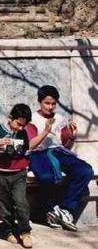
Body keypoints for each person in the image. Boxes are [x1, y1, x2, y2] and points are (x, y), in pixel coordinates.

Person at [26, 85, 95, 231]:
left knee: (85, 171)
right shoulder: (32, 119)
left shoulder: (60, 119)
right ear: (40, 102)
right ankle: (50, 209)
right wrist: (46, 130)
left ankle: (65, 209)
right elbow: (31, 146)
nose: (50, 107)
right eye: (47, 103)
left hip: (58, 152)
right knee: (46, 176)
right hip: (38, 153)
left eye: (53, 103)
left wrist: (72, 137)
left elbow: (66, 145)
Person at [0, 104, 33, 248]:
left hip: (19, 174)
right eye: (18, 124)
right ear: (10, 118)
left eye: (24, 125)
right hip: (0, 174)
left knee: (20, 202)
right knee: (4, 204)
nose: (20, 128)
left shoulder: (22, 133)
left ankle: (25, 232)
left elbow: (26, 149)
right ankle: (8, 231)